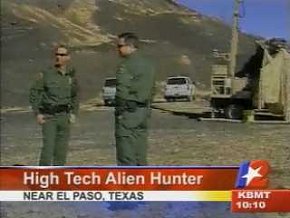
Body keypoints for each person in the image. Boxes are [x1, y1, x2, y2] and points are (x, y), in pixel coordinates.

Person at [29, 44, 79, 166]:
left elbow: (74, 96)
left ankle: (58, 179)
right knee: (48, 149)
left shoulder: (71, 76)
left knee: (61, 151)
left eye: (62, 55)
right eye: (56, 54)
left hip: (64, 116)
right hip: (49, 116)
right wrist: (38, 113)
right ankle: (43, 179)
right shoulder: (47, 74)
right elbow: (34, 93)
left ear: (68, 57)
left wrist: (73, 113)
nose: (58, 57)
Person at [115, 32, 156, 166]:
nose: (118, 49)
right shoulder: (148, 64)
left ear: (130, 46)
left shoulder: (127, 65)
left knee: (126, 152)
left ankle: (129, 185)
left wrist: (120, 111)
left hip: (128, 112)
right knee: (140, 152)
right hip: (143, 112)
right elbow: (152, 89)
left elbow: (122, 89)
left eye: (120, 46)